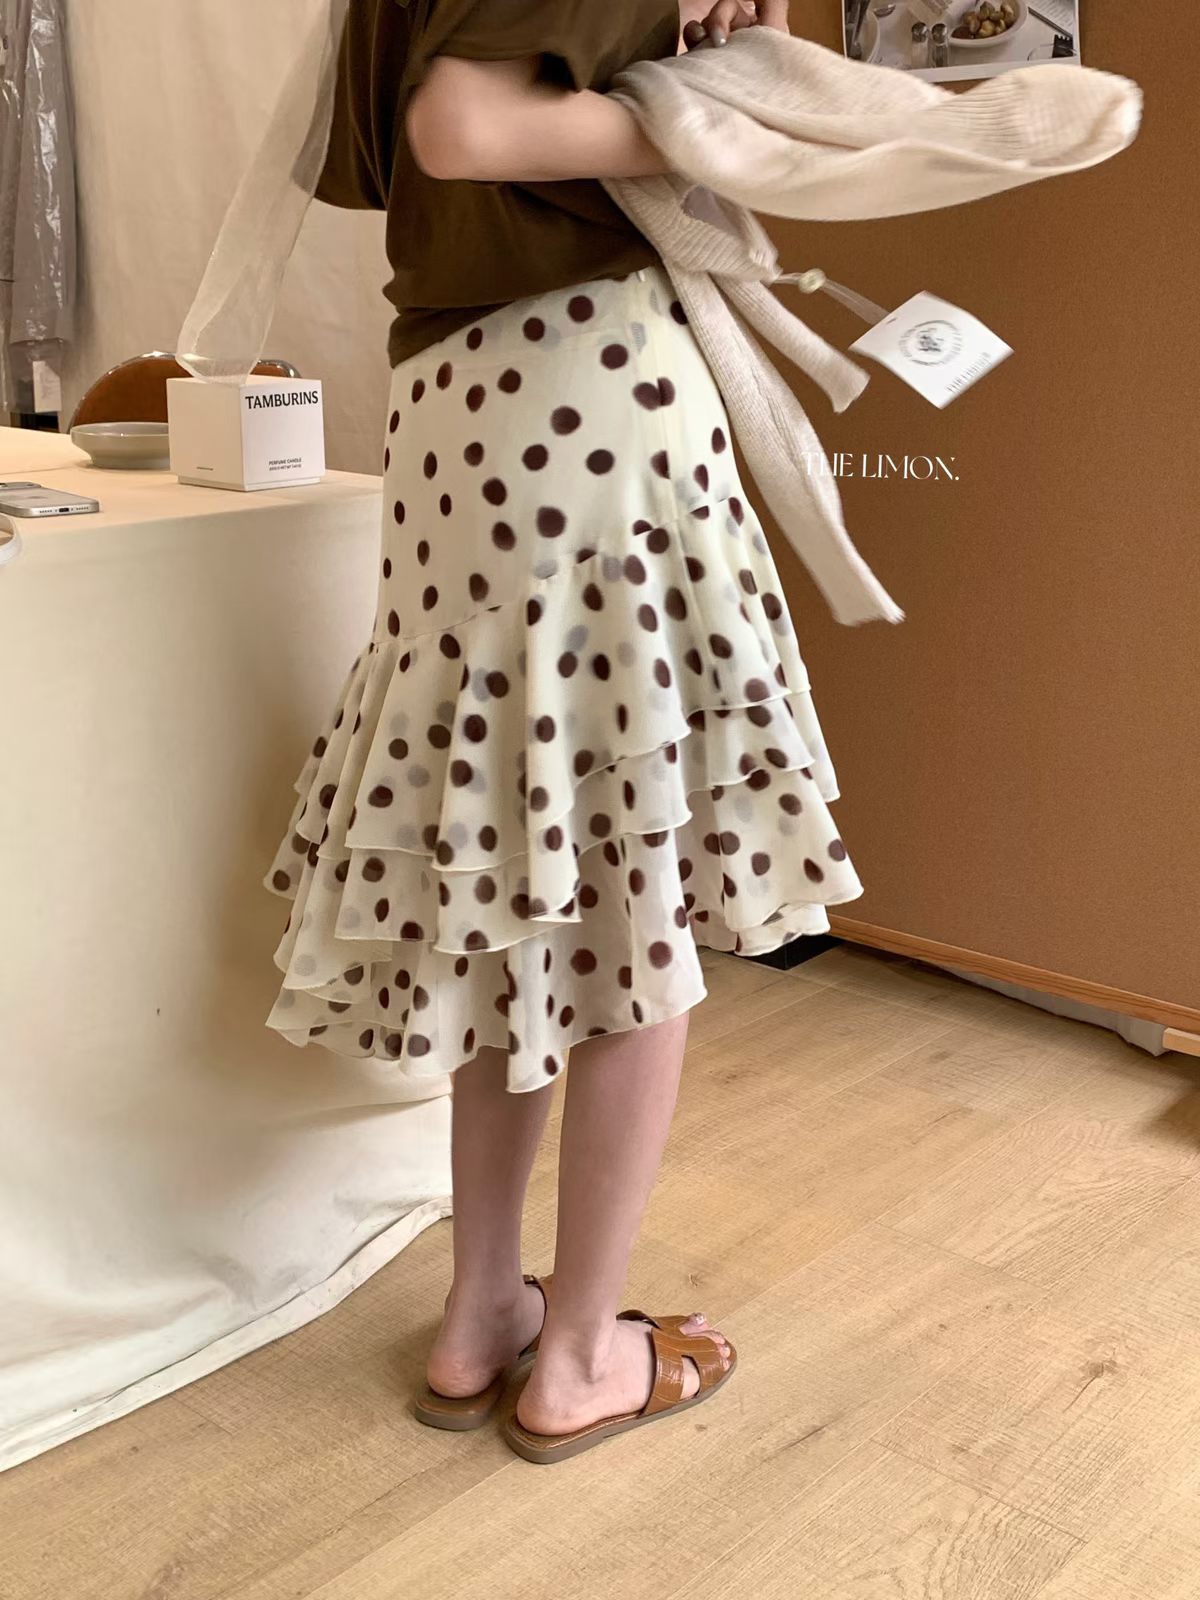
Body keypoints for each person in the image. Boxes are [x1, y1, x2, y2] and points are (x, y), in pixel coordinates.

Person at [264, 0, 862, 1465]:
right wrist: (716, 110)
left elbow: (379, 153)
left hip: (447, 399)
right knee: (627, 890)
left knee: (519, 880)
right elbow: (460, 128)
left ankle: (483, 1311)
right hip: (592, 383)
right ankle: (583, 1355)